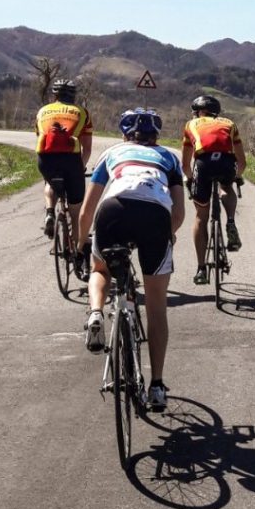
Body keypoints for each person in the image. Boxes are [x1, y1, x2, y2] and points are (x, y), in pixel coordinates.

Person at [77, 107, 185, 411]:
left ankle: (96, 312)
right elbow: (179, 213)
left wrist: (79, 244)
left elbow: (87, 209)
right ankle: (157, 386)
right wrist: (169, 233)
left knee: (100, 269)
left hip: (114, 210)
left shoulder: (113, 152)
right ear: (156, 135)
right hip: (155, 215)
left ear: (126, 134)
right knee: (156, 306)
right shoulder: (169, 158)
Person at [182, 94, 246, 286]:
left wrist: (190, 180)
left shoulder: (190, 125)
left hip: (203, 164)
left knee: (201, 216)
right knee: (226, 187)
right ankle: (231, 222)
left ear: (199, 112)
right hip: (226, 163)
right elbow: (242, 162)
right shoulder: (229, 123)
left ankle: (201, 269)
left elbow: (185, 164)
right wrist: (236, 176)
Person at [35, 79, 92, 268]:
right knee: (75, 213)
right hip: (71, 159)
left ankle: (50, 211)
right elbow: (88, 149)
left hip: (45, 158)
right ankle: (77, 251)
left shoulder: (42, 111)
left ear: (55, 95)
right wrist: (80, 169)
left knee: (50, 183)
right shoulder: (82, 113)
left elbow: (40, 138)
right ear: (73, 96)